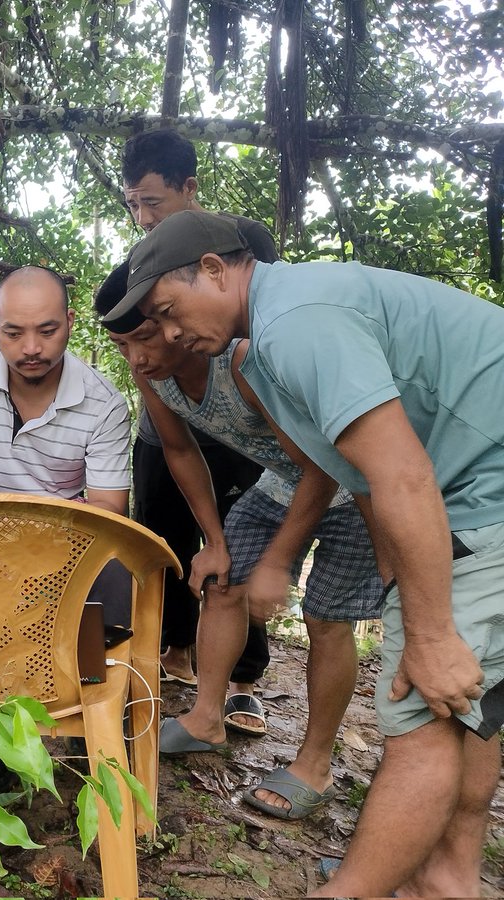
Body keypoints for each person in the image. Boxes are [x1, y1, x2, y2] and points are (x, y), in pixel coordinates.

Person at [106, 208, 504, 898]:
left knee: (425, 700)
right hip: (462, 483)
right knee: (470, 700)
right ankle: (447, 874)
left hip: (480, 490)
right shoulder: (273, 329)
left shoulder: (292, 325)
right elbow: (363, 467)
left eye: (169, 312)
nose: (166, 336)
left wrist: (430, 628)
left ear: (213, 269)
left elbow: (398, 474)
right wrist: (396, 584)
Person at [99, 272, 382, 820]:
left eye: (144, 338)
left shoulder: (243, 362)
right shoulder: (154, 377)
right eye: (121, 345)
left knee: (327, 618)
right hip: (279, 483)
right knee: (219, 582)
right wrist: (216, 540)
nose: (135, 358)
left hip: (354, 481)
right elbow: (180, 452)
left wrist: (278, 562)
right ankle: (206, 718)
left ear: (172, 321)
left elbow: (322, 465)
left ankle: (314, 763)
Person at [118, 129, 274, 731]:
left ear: (190, 189)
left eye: (152, 202)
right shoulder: (138, 262)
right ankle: (176, 654)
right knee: (167, 546)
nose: (141, 216)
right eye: (132, 203)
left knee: (240, 549)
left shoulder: (243, 241)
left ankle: (243, 681)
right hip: (167, 428)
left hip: (241, 431)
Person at [0, 265, 133, 633]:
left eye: (47, 331)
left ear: (70, 321)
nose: (31, 348)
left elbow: (108, 508)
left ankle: (95, 681)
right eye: (13, 333)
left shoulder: (104, 404)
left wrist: (39, 550)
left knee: (114, 567)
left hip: (60, 543)